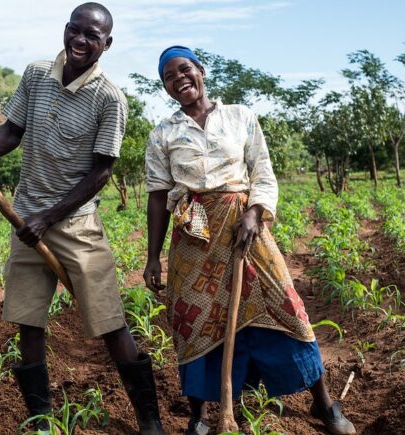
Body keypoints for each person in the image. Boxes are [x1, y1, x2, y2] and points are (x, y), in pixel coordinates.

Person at [0, 4, 164, 434]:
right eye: (75, 30)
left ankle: (149, 421)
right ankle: (41, 421)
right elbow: (11, 132)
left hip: (75, 225)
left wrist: (50, 217)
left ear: (106, 44)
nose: (80, 40)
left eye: (92, 36)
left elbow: (101, 171)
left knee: (110, 323)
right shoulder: (36, 74)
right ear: (66, 29)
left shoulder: (110, 98)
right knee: (28, 323)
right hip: (25, 219)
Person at [143, 46, 356, 435]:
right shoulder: (163, 133)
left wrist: (255, 213)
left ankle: (324, 403)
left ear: (201, 71)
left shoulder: (240, 116)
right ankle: (199, 417)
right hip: (195, 238)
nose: (179, 79)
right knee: (194, 324)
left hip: (246, 230)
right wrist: (153, 257)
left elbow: (263, 172)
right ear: (165, 87)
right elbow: (158, 196)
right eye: (169, 77)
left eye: (184, 70)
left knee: (287, 308)